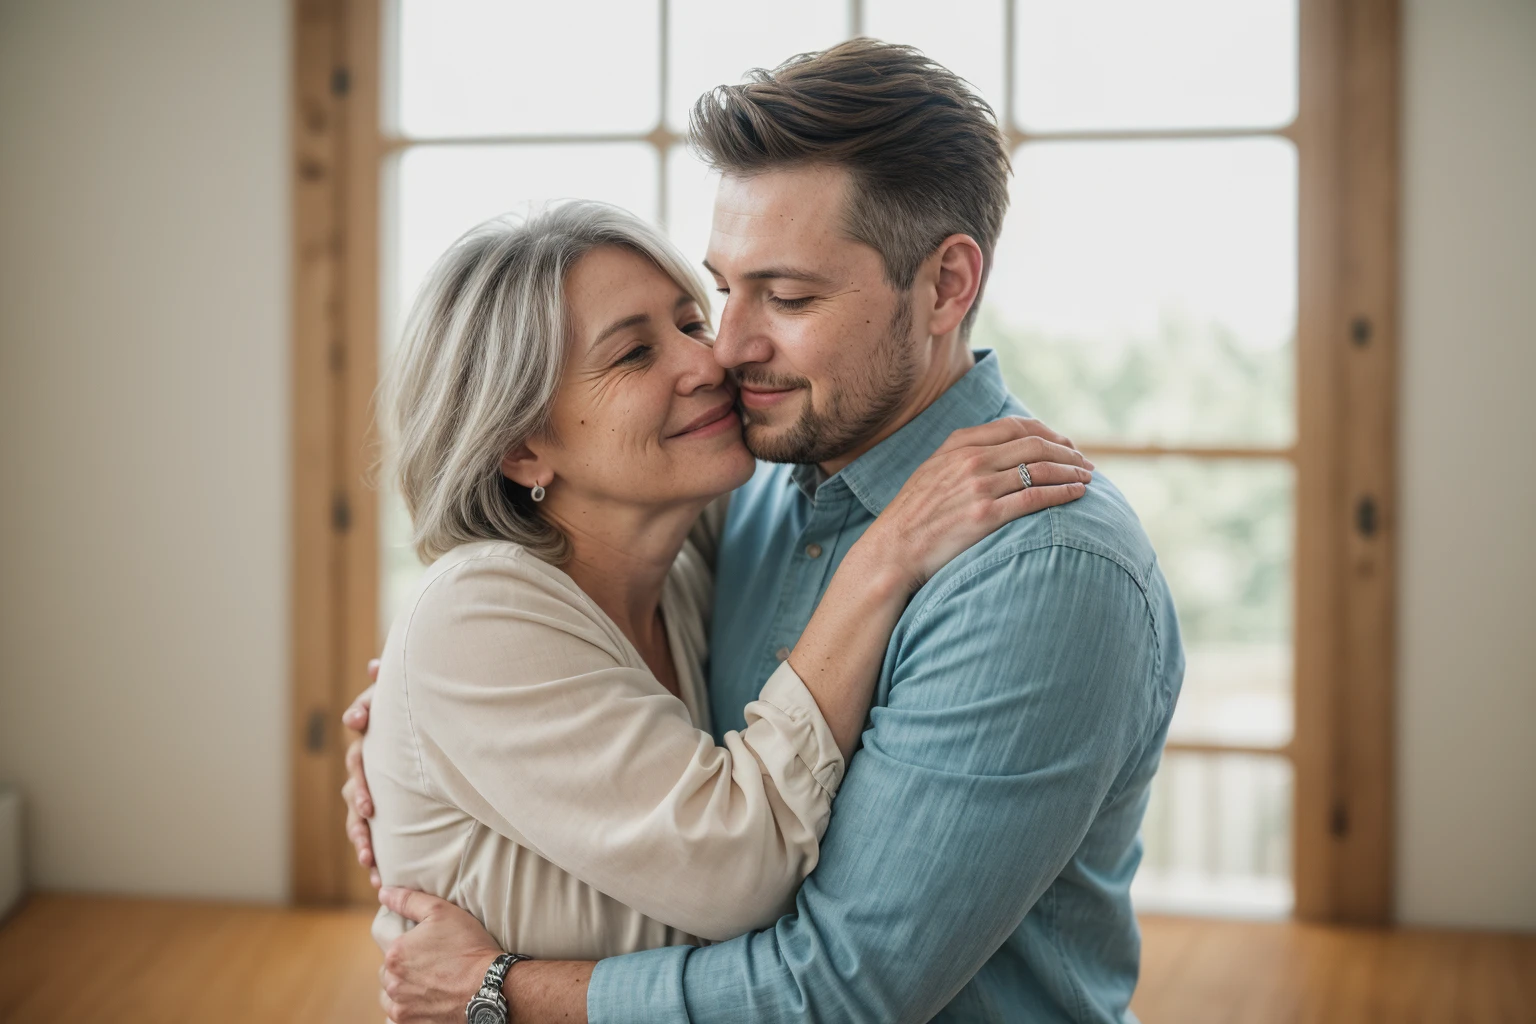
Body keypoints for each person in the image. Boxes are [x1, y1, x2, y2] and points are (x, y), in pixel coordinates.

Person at [346, 39, 1182, 1024]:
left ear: (948, 286)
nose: (726, 351)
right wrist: (412, 729)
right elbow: (553, 638)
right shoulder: (743, 501)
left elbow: (839, 989)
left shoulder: (1039, 570)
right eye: (724, 291)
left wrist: (501, 991)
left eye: (787, 298)